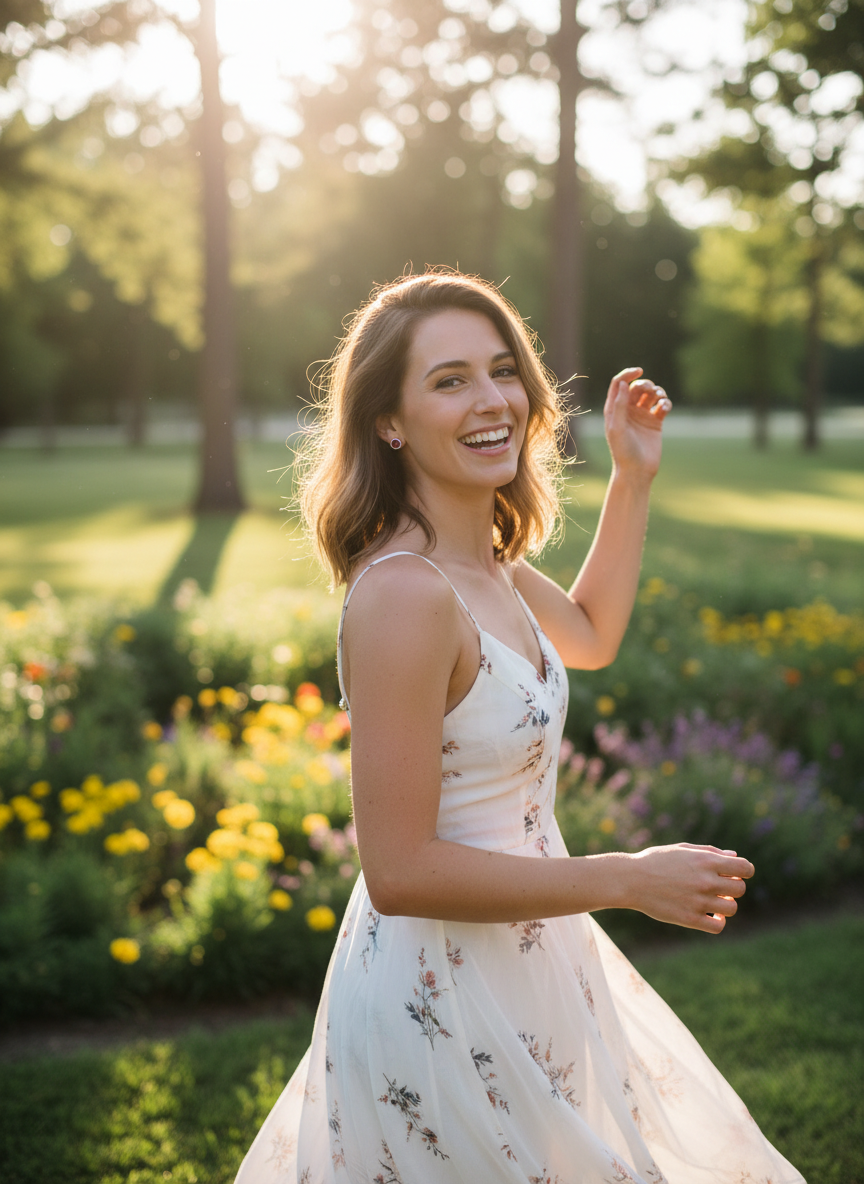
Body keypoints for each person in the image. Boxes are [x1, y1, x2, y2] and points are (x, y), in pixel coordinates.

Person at [235, 271, 804, 1184]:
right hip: (442, 991)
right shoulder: (405, 596)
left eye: (502, 370)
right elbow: (398, 868)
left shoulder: (485, 562)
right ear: (389, 420)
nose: (493, 398)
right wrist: (627, 879)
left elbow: (590, 633)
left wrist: (632, 476)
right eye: (449, 380)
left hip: (536, 962)